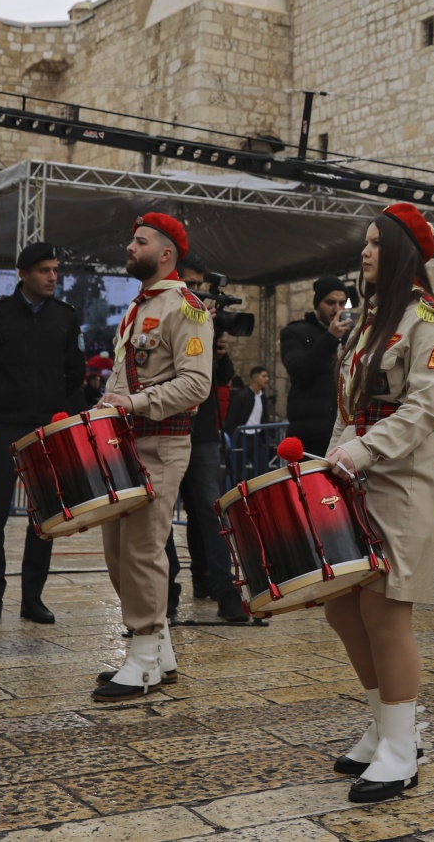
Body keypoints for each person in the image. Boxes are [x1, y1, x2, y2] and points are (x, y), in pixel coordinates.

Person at [324, 203, 434, 802]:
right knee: (343, 610)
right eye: (365, 243)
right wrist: (327, 462)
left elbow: (424, 410)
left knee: (384, 612)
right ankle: (384, 725)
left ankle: (403, 748)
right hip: (357, 478)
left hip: (402, 482)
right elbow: (348, 408)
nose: (365, 252)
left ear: (404, 251)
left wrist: (361, 452)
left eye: (377, 243)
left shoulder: (430, 321)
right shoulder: (369, 322)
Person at [93, 213, 213, 699]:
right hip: (124, 442)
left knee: (143, 548)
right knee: (118, 550)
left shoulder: (186, 308)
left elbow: (196, 384)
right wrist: (104, 406)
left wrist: (135, 404)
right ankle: (159, 650)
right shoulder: (139, 307)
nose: (129, 246)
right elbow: (126, 377)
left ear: (165, 254)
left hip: (160, 442)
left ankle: (142, 657)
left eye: (139, 241)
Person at [0, 240, 83, 626]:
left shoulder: (65, 317)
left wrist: (63, 419)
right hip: (4, 426)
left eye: (55, 270)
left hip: (47, 431)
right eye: (44, 271)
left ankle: (32, 597)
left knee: (46, 519)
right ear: (23, 274)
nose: (53, 277)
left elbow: (75, 375)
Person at [170, 256, 248, 623]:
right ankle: (167, 592)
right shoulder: (166, 314)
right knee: (160, 517)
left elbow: (222, 378)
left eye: (201, 284)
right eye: (190, 283)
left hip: (201, 433)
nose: (196, 291)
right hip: (166, 428)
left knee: (210, 509)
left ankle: (225, 590)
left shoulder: (204, 322)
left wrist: (218, 350)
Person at [281, 275, 352, 455]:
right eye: (330, 303)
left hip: (344, 433)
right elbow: (300, 371)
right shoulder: (295, 332)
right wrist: (330, 338)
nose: (337, 309)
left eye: (342, 303)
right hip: (311, 435)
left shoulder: (349, 335)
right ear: (317, 303)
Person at [230, 364, 273, 428]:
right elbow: (232, 419)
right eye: (264, 376)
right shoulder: (241, 397)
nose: (267, 379)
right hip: (244, 435)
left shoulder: (263, 398)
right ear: (255, 378)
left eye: (267, 376)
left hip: (258, 435)